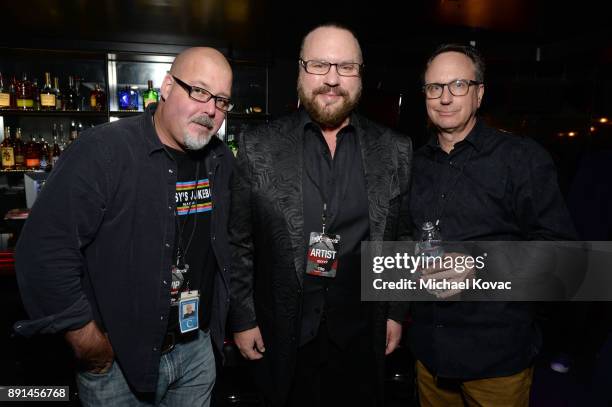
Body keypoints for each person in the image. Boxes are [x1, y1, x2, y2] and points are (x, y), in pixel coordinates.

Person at [14, 47, 235, 407]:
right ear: (166, 87)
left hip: (196, 354)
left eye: (222, 101)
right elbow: (43, 251)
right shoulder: (104, 151)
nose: (210, 109)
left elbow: (233, 246)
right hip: (118, 366)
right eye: (199, 91)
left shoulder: (221, 161)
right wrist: (89, 344)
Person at [229, 23, 412, 407]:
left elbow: (401, 237)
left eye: (346, 67)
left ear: (360, 75)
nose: (332, 79)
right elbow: (239, 244)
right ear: (299, 71)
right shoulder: (257, 146)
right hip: (283, 333)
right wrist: (243, 319)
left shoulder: (395, 149)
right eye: (318, 65)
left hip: (362, 335)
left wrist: (394, 313)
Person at [408, 43, 577, 406]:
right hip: (430, 355)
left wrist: (478, 264)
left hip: (496, 359)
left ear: (479, 93)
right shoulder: (414, 164)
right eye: (435, 87)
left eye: (458, 85)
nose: (445, 98)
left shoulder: (522, 159)